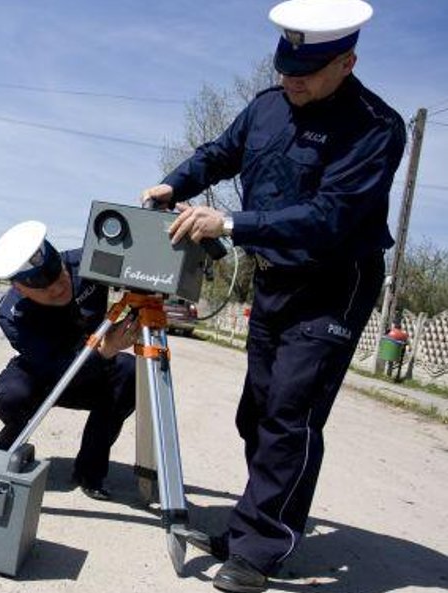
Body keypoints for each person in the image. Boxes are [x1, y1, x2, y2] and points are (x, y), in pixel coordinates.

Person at [140, 1, 406, 591]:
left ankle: (259, 549)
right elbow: (221, 151)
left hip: (335, 282)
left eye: (307, 72)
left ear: (347, 62)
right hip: (277, 279)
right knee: (256, 414)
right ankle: (257, 523)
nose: (293, 80)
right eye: (286, 67)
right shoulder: (267, 104)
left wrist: (229, 225)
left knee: (291, 413)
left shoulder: (376, 127)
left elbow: (330, 216)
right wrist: (174, 182)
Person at [0, 220, 137, 501]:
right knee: (11, 395)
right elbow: (52, 367)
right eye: (45, 289)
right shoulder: (11, 313)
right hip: (46, 374)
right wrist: (104, 350)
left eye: (59, 277)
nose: (58, 288)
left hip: (94, 371)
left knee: (129, 371)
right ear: (21, 289)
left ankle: (89, 471)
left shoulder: (88, 263)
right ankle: (11, 441)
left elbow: (138, 260)